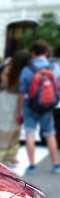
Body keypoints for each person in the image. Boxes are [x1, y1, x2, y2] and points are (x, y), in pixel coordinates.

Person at [16, 40, 60, 174]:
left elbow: (22, 93)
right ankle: (56, 165)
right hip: (48, 106)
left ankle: (32, 166)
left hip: (31, 105)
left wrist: (18, 110)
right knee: (50, 134)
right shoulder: (55, 67)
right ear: (47, 52)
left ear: (33, 53)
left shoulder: (27, 69)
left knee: (30, 134)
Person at [0, 50, 31, 166]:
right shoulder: (26, 73)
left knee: (2, 131)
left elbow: (3, 85)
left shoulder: (7, 70)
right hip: (18, 102)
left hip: (6, 102)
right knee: (15, 132)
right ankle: (10, 157)